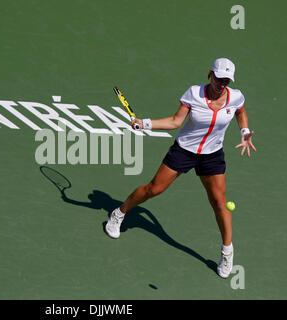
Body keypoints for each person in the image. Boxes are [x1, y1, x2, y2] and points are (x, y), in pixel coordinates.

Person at [105, 58, 256, 278]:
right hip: (184, 151)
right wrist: (145, 123)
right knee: (153, 189)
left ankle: (227, 251)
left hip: (212, 156)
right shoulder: (194, 94)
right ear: (210, 74)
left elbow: (240, 112)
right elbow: (176, 122)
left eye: (226, 80)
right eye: (219, 78)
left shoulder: (235, 97)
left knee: (220, 203)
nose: (222, 83)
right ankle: (119, 213)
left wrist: (244, 132)